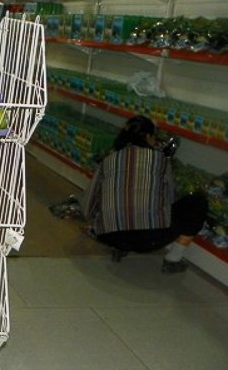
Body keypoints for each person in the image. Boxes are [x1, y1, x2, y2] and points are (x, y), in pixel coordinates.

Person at [81, 115, 209, 273]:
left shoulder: (108, 160)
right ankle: (173, 259)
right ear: (148, 137)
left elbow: (88, 206)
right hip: (149, 240)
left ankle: (120, 247)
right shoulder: (160, 161)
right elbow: (169, 199)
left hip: (108, 236)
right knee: (198, 202)